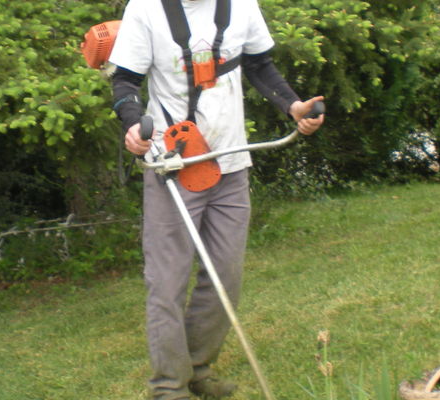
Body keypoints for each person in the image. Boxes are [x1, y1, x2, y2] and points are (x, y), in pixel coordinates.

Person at [109, 0, 324, 398]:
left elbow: (260, 66)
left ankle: (197, 369)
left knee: (226, 277)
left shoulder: (241, 4)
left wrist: (293, 106)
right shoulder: (146, 8)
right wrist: (133, 126)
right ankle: (169, 388)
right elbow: (124, 82)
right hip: (173, 167)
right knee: (167, 285)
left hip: (230, 163)